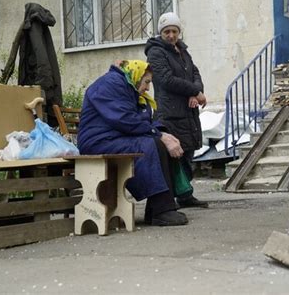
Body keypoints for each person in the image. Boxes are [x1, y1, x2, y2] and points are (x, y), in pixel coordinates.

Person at [77, 59, 189, 226]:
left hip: (113, 137)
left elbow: (141, 119)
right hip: (98, 141)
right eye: (147, 82)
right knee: (152, 145)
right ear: (137, 76)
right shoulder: (112, 83)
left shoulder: (127, 87)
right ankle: (162, 209)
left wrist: (163, 133)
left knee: (160, 142)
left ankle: (157, 209)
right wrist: (158, 135)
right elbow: (124, 119)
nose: (148, 88)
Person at [145, 12, 209, 209]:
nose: (171, 35)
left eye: (174, 31)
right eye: (166, 32)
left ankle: (185, 194)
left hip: (187, 111)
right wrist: (194, 90)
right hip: (169, 111)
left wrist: (195, 92)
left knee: (188, 152)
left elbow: (194, 72)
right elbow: (166, 80)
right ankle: (170, 197)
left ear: (179, 32)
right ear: (160, 33)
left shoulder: (182, 51)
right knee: (175, 156)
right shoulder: (156, 52)